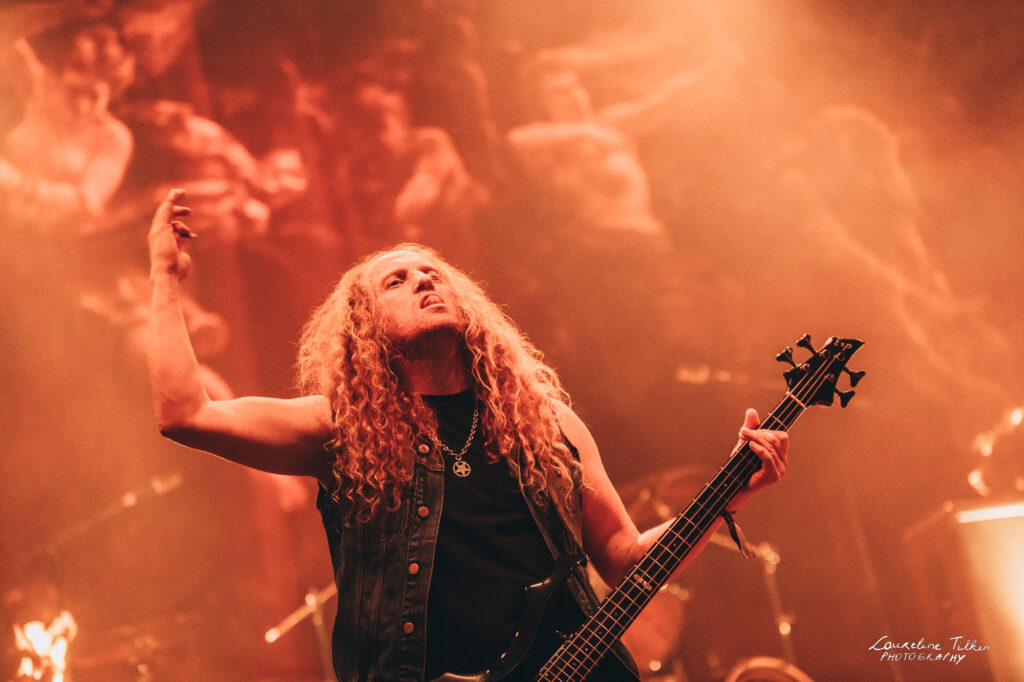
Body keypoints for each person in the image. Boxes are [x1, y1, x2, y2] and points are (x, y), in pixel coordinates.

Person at [146, 188, 789, 681]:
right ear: (365, 331)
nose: (424, 280)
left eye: (432, 273)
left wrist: (727, 494)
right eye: (396, 281)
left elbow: (624, 558)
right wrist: (164, 279)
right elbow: (186, 414)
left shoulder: (547, 423)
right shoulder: (339, 428)